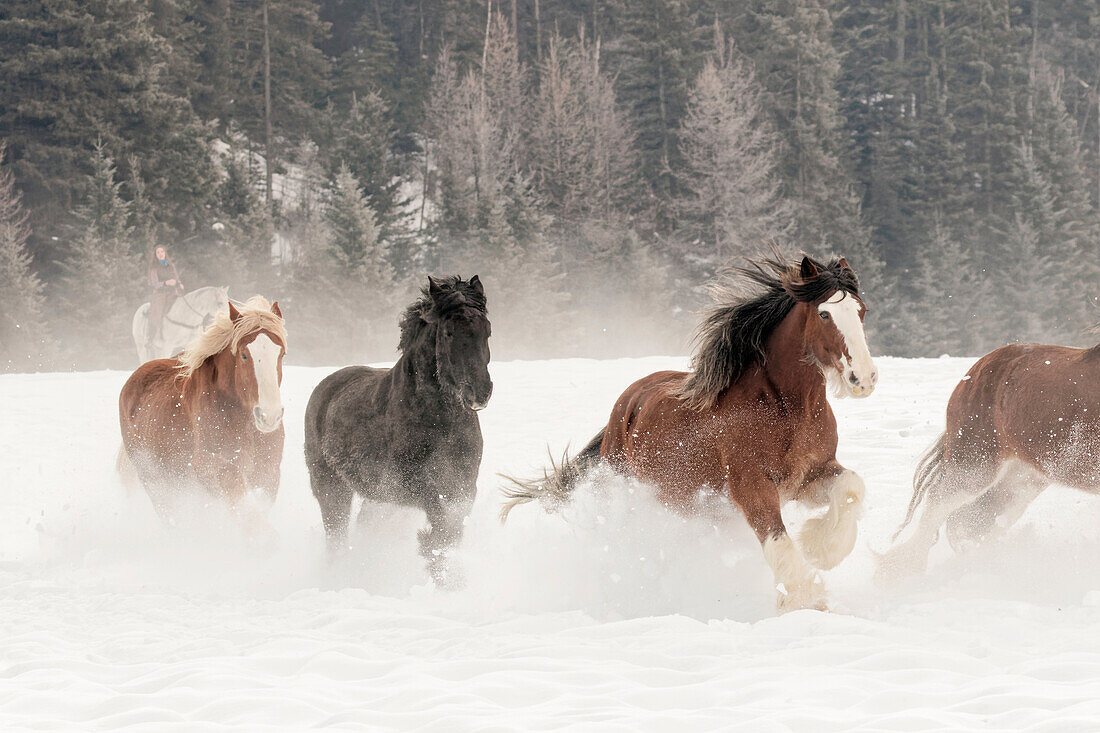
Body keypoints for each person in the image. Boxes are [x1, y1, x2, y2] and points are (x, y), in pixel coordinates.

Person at [145, 245, 185, 348]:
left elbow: (176, 277)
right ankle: (150, 338)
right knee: (156, 313)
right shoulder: (154, 268)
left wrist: (179, 283)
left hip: (173, 292)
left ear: (165, 253)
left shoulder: (170, 265)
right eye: (158, 252)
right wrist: (166, 283)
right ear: (156, 255)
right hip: (160, 294)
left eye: (162, 252)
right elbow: (154, 283)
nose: (160, 254)